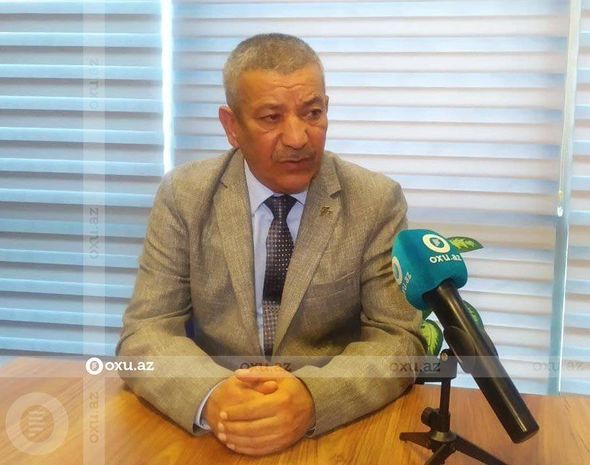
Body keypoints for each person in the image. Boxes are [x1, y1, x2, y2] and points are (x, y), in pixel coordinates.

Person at [116, 33, 424, 456]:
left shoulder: (374, 201)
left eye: (312, 113)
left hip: (330, 436)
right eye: (271, 117)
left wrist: (313, 397)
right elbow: (146, 330)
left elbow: (398, 340)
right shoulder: (184, 196)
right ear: (232, 127)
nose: (298, 137)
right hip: (217, 434)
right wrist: (211, 395)